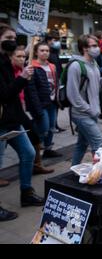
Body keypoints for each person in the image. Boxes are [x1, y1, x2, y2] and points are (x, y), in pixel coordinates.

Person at [0, 23, 45, 211]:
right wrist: (22, 78)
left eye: (13, 38)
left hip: (13, 121)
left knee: (29, 153)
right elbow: (3, 94)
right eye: (8, 39)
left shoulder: (6, 61)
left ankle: (26, 193)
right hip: (1, 123)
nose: (12, 42)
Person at [67, 35, 102, 166]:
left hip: (92, 112)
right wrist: (90, 109)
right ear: (84, 48)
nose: (97, 48)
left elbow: (97, 87)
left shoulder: (94, 64)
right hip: (81, 114)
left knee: (82, 144)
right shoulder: (76, 66)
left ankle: (73, 168)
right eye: (93, 46)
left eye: (96, 45)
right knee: (99, 144)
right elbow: (73, 95)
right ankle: (100, 174)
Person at [11, 46, 54, 175]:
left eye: (23, 56)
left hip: (21, 110)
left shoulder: (25, 70)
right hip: (11, 112)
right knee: (5, 145)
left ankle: (36, 165)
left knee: (34, 136)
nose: (22, 59)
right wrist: (37, 109)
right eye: (18, 56)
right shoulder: (15, 71)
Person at [25, 43, 63, 159]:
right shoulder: (32, 66)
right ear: (36, 52)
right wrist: (37, 106)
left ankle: (48, 149)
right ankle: (34, 149)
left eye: (47, 50)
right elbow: (31, 89)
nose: (45, 53)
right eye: (42, 50)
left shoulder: (52, 66)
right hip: (40, 103)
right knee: (43, 127)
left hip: (52, 102)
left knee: (51, 127)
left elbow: (56, 83)